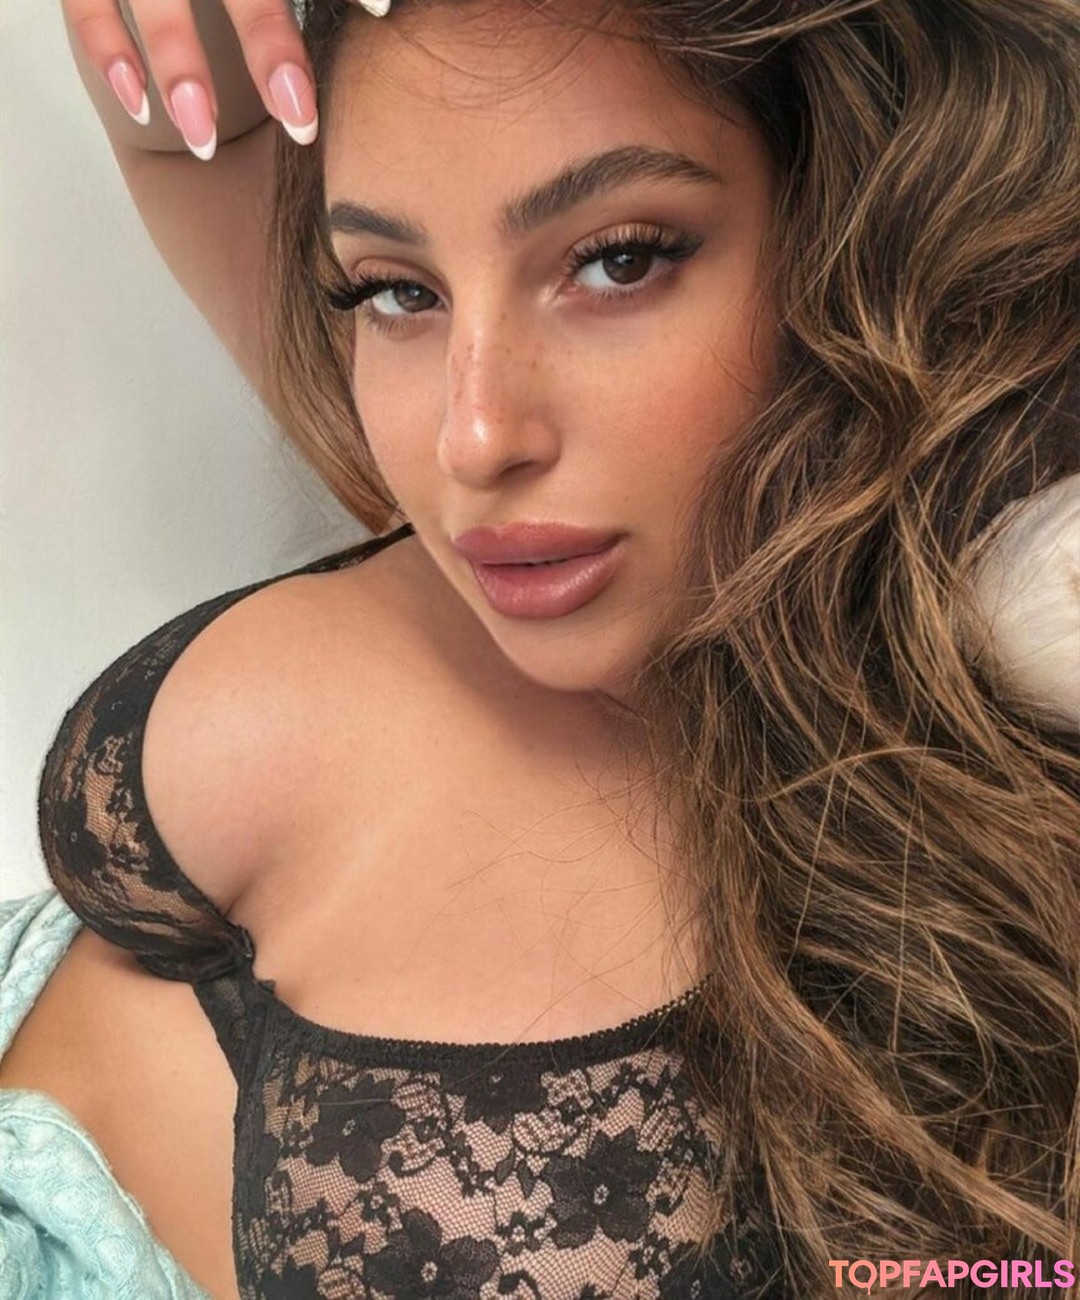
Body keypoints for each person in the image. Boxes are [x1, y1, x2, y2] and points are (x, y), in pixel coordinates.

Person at [0, 0, 1077, 1297]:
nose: (472, 437)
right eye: (397, 290)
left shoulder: (973, 842)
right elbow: (196, 120)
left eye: (617, 261)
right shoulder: (536, 530)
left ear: (856, 231)